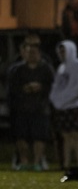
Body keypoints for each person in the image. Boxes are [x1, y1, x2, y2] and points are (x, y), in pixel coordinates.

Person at [8, 34, 54, 170]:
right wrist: (25, 89)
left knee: (39, 137)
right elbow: (11, 89)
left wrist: (41, 87)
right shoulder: (16, 70)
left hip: (40, 108)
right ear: (23, 52)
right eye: (29, 51)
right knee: (21, 137)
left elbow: (52, 86)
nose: (31, 54)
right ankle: (23, 162)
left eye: (34, 51)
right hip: (21, 109)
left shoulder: (46, 69)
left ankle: (37, 162)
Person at [49, 39, 78, 170]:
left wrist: (64, 100)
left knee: (76, 134)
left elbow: (77, 87)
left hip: (74, 105)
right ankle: (67, 164)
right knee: (65, 135)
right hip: (62, 106)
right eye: (60, 51)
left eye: (64, 51)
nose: (62, 54)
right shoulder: (61, 67)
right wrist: (56, 100)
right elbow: (57, 86)